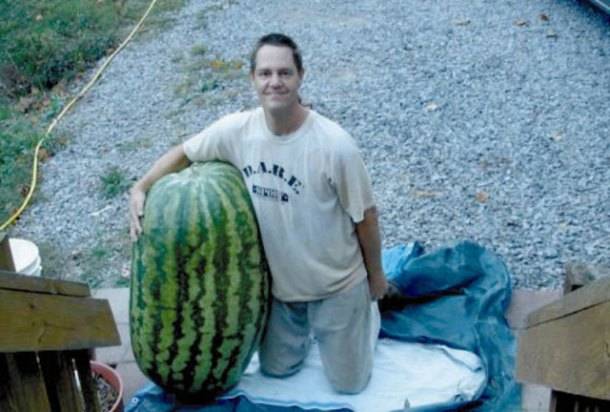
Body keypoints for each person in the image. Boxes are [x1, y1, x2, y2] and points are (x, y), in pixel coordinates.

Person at [128, 33, 388, 394]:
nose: (275, 82)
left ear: (301, 76)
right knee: (277, 372)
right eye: (265, 73)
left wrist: (376, 278)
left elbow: (367, 217)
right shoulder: (238, 131)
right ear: (253, 78)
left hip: (337, 287)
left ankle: (365, 319)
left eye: (285, 72)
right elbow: (185, 152)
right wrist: (140, 187)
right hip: (281, 293)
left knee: (350, 387)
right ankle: (319, 331)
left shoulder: (335, 145)